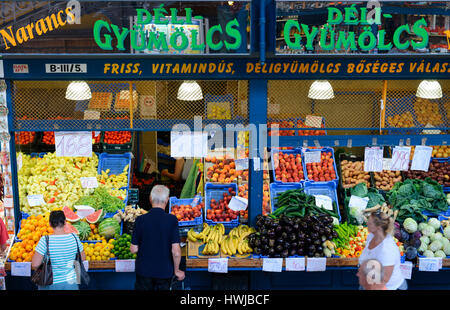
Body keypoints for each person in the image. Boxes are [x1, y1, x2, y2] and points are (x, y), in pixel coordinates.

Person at [130, 185, 185, 290]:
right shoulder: (172, 220)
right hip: (164, 273)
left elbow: (133, 249)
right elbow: (176, 251)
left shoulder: (140, 220)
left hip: (143, 272)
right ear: (167, 200)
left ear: (150, 199)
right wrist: (177, 270)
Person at [31, 210, 86, 290]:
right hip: (71, 283)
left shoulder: (45, 240)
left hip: (51, 284)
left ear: (50, 224)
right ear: (65, 222)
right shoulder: (74, 238)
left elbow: (35, 264)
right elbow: (83, 258)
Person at [358, 211, 407, 290]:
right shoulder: (371, 236)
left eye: (370, 223)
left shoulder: (387, 249)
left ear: (378, 228)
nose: (367, 224)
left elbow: (384, 281)